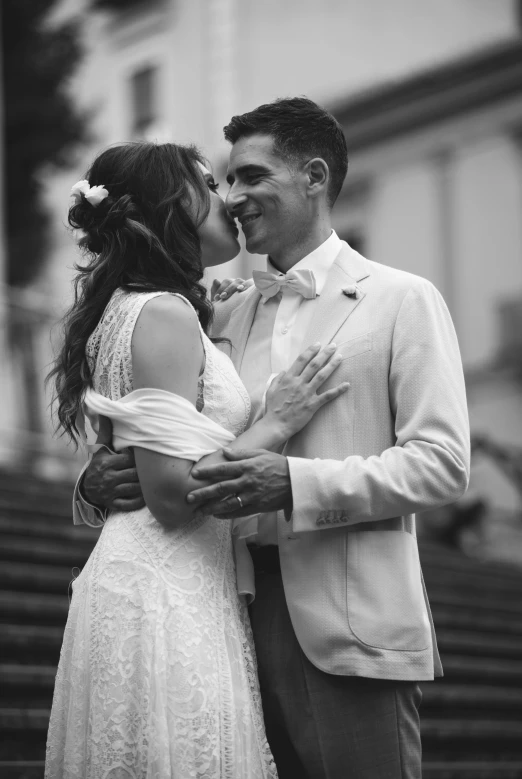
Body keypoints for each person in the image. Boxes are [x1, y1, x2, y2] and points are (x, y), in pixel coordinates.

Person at [78, 98, 470, 779]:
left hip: (347, 621)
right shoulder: (217, 311)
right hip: (218, 614)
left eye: (252, 176)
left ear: (313, 177)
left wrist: (296, 484)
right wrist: (93, 479)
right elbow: (162, 423)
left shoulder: (401, 299)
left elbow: (442, 464)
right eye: (225, 180)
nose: (232, 196)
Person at [45, 141, 350, 778]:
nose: (227, 199)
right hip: (165, 589)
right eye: (208, 183)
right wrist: (276, 421)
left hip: (174, 580)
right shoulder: (162, 314)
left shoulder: (156, 308)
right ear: (170, 204)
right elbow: (174, 497)